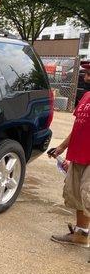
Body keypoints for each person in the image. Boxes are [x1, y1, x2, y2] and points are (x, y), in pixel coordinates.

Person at [50, 82, 90, 248]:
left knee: (88, 195)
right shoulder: (87, 96)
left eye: (89, 73)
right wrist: (61, 148)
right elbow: (78, 128)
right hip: (79, 154)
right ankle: (81, 235)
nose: (86, 77)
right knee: (77, 195)